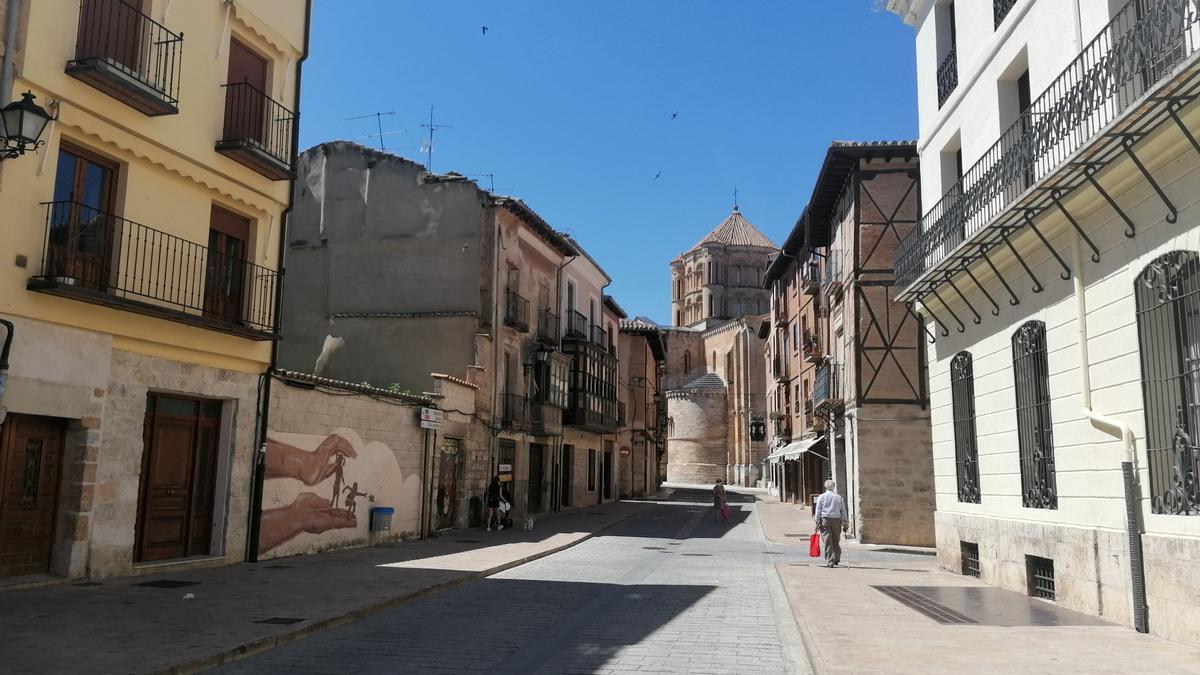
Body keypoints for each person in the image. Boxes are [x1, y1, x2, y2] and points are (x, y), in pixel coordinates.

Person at [813, 479, 849, 567]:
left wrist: (817, 522)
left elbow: (818, 510)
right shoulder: (838, 497)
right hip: (836, 520)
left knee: (828, 541)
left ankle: (830, 560)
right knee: (836, 540)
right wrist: (845, 522)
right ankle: (836, 558)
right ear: (834, 487)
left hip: (825, 520)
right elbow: (843, 511)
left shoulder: (821, 497)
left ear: (825, 486)